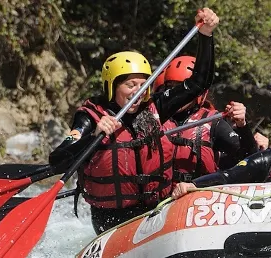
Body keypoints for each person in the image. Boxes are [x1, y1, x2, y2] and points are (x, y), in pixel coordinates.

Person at [48, 8, 220, 234]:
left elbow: (198, 83)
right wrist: (94, 136)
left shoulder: (155, 107)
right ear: (112, 86)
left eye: (143, 84)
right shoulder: (90, 116)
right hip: (111, 219)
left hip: (155, 209)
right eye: (130, 85)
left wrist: (206, 35)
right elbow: (58, 161)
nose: (138, 92)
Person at [152, 55, 259, 181]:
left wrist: (242, 126)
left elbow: (249, 157)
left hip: (196, 195)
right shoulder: (154, 116)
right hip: (161, 196)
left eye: (183, 89)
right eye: (172, 88)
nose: (178, 96)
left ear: (198, 93)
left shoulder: (213, 123)